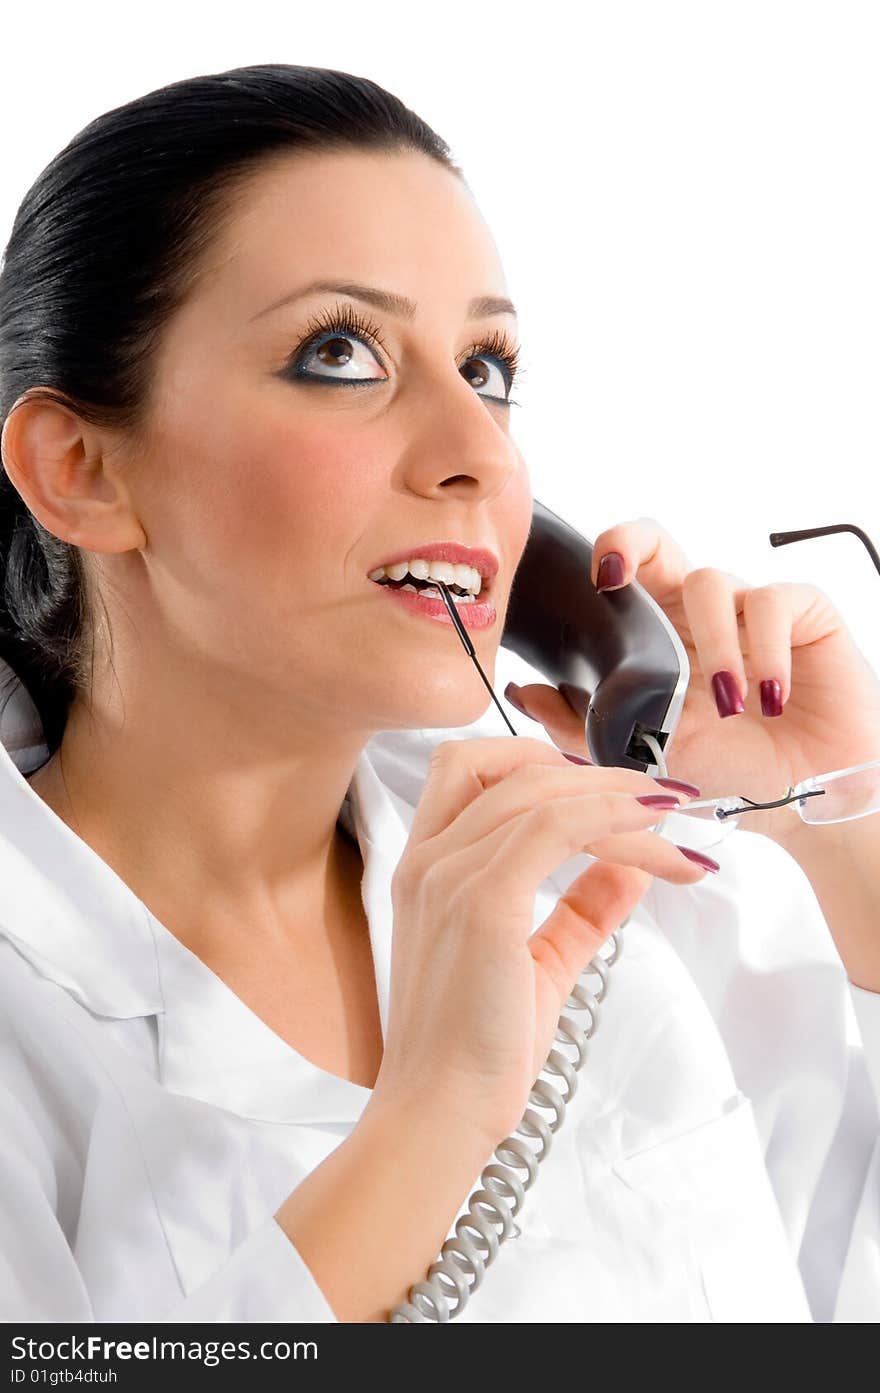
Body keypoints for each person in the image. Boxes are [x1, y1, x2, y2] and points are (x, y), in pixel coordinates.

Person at [0, 63, 878, 1326]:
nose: (478, 451)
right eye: (339, 353)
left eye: (487, 365)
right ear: (78, 469)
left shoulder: (630, 871)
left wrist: (842, 839)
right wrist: (431, 1122)